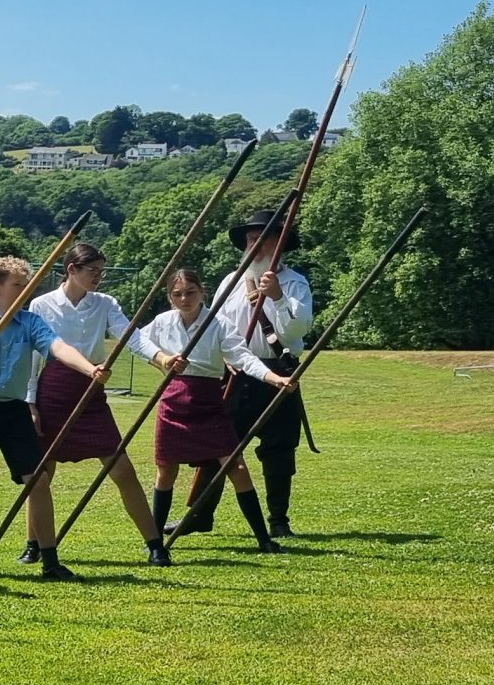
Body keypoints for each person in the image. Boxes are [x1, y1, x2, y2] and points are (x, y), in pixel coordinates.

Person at [0, 255, 102, 582]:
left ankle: (50, 561)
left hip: (14, 412)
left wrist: (90, 369)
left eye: (28, 285)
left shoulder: (30, 323)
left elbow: (58, 347)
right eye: (19, 285)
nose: (25, 290)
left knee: (38, 481)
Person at [128, 266, 298, 553]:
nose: (184, 299)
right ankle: (156, 542)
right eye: (177, 294)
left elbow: (243, 358)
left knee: (237, 467)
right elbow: (135, 341)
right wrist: (163, 360)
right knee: (166, 470)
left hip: (208, 400)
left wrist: (275, 379)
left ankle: (264, 539)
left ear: (202, 292)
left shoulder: (218, 323)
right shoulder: (162, 322)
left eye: (190, 293)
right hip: (173, 400)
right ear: (170, 297)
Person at [24, 244, 170, 565]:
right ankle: (34, 544)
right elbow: (32, 357)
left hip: (90, 391)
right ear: (72, 269)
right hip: (52, 392)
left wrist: (160, 358)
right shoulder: (42, 305)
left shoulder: (105, 304)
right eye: (93, 271)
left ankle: (155, 544)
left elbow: (130, 335)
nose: (99, 278)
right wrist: (30, 403)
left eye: (102, 272)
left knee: (122, 469)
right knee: (41, 475)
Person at [194, 208, 315, 538]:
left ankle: (279, 521)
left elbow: (298, 329)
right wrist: (221, 357)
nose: (254, 245)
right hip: (235, 373)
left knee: (278, 447)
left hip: (277, 372)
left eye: (262, 239)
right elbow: (213, 327)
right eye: (250, 239)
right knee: (217, 446)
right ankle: (200, 515)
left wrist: (276, 297)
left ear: (279, 244)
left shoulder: (293, 283)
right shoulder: (230, 283)